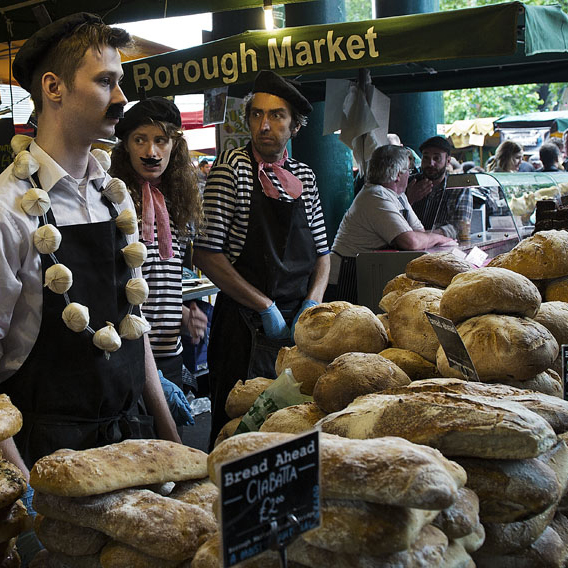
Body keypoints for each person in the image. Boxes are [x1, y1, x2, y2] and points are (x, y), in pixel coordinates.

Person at [0, 13, 180, 476]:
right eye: (105, 81)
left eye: (119, 82)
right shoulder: (9, 208)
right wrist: (24, 488)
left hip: (130, 443)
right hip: (46, 459)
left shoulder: (114, 199)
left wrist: (174, 442)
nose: (121, 98)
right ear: (54, 88)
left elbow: (134, 335)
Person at [192, 70, 330, 447]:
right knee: (236, 433)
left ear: (295, 125)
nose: (264, 125)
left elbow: (322, 254)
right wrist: (265, 306)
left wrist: (312, 304)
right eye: (257, 115)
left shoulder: (305, 175)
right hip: (244, 325)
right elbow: (206, 254)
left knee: (292, 428)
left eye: (276, 115)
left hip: (297, 327)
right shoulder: (231, 168)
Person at [109, 97, 208, 391]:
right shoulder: (112, 202)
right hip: (130, 357)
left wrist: (183, 314)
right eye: (140, 140)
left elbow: (159, 282)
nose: (151, 152)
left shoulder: (178, 203)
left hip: (171, 354)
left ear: (174, 147)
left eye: (161, 141)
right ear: (125, 145)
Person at [330, 145, 456, 299]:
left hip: (367, 272)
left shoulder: (399, 196)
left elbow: (420, 233)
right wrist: (441, 238)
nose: (410, 175)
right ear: (397, 175)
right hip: (345, 276)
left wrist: (425, 238)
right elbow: (411, 242)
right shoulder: (375, 196)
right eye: (408, 171)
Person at [406, 135, 473, 240]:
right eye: (426, 157)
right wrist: (409, 199)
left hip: (442, 250)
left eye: (436, 158)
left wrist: (424, 236)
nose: (431, 163)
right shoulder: (409, 182)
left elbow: (459, 227)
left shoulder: (458, 186)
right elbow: (392, 221)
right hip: (408, 246)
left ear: (448, 161)